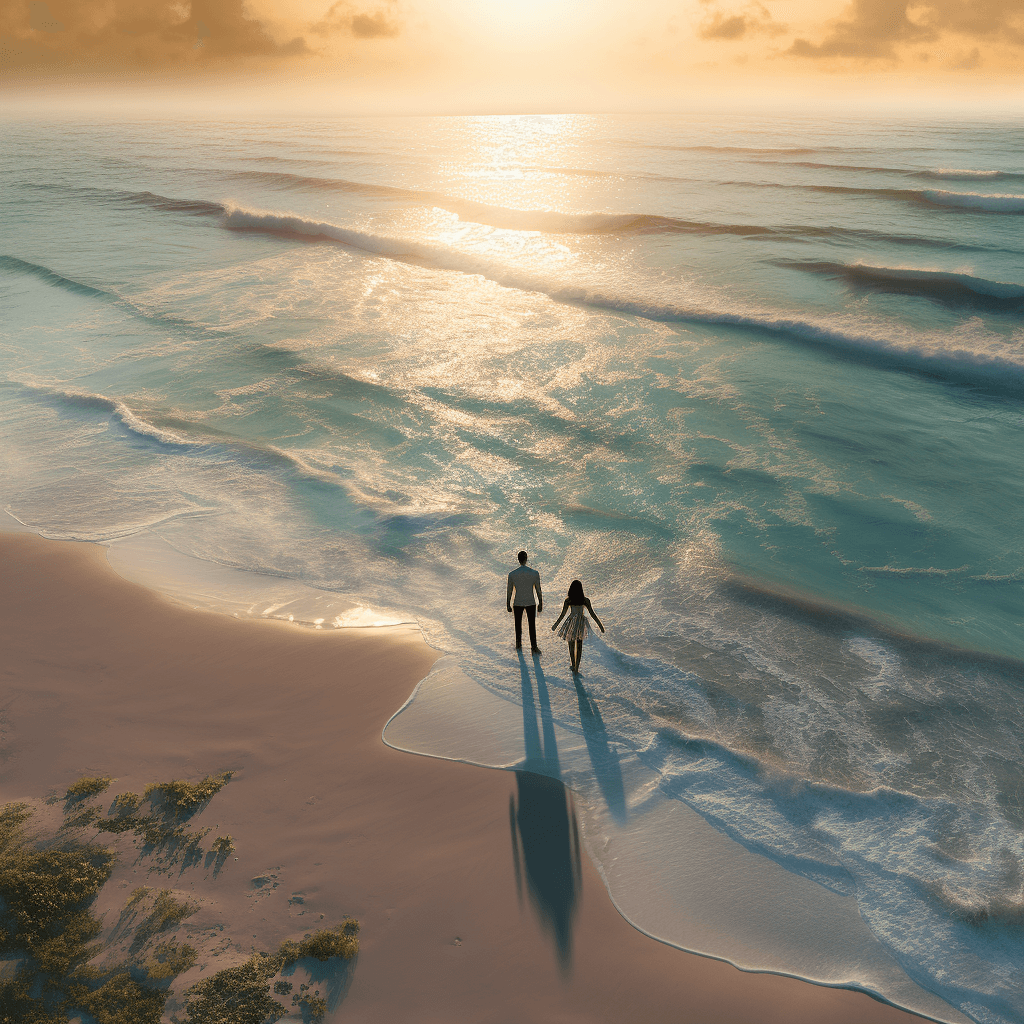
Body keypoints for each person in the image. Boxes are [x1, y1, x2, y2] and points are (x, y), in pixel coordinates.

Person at [551, 580, 604, 675]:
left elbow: (562, 615)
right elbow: (592, 614)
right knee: (579, 646)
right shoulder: (585, 600)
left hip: (571, 622)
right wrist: (600, 625)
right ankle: (576, 668)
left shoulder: (568, 600)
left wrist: (556, 624)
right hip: (580, 623)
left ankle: (573, 664)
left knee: (571, 645)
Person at [507, 550, 543, 653]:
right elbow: (538, 590)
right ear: (526, 559)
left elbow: (509, 590)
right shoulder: (534, 573)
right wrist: (540, 603)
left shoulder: (512, 574)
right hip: (531, 602)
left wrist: (508, 604)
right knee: (532, 625)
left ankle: (518, 645)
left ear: (518, 560)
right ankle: (534, 647)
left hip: (517, 602)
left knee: (518, 625)